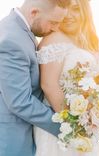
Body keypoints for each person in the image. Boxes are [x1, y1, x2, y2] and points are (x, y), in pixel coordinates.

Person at [34, 0, 99, 155]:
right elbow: (49, 85)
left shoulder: (86, 39)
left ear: (85, 11)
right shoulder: (53, 39)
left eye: (75, 9)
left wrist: (96, 113)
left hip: (88, 126)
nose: (68, 15)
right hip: (65, 127)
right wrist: (78, 123)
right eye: (64, 9)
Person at [0, 0, 70, 156]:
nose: (55, 28)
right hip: (13, 140)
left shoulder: (17, 28)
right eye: (53, 22)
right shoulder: (11, 40)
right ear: (34, 13)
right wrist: (67, 126)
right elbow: (20, 101)